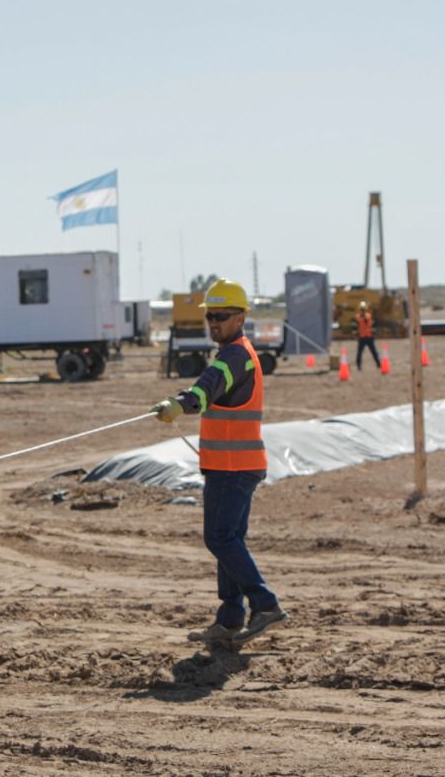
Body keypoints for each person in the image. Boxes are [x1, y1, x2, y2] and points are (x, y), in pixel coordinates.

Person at [151, 278, 288, 649]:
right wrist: (182, 402)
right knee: (229, 539)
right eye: (210, 316)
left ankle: (265, 604)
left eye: (222, 316)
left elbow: (208, 386)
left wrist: (182, 403)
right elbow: (211, 387)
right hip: (230, 465)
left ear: (241, 317)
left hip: (234, 466)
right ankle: (229, 619)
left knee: (220, 538)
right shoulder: (235, 352)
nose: (214, 322)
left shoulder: (235, 356)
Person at [354, 301, 380, 370]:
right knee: (359, 353)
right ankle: (358, 366)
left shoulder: (369, 316)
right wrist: (356, 334)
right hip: (362, 337)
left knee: (374, 352)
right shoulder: (357, 317)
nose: (362, 310)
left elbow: (372, 325)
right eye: (361, 309)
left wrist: (374, 332)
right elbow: (355, 327)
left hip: (369, 337)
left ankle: (378, 364)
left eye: (363, 309)